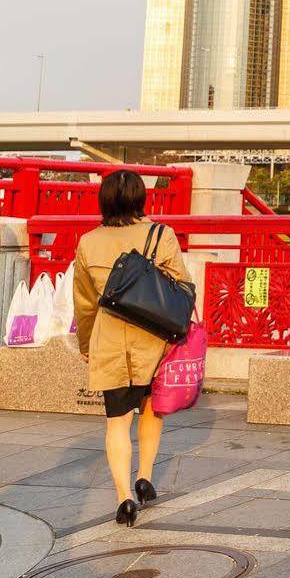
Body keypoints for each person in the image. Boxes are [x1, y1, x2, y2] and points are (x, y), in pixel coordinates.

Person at [72, 170, 196, 525]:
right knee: (152, 410)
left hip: (110, 340)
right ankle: (144, 477)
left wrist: (86, 344)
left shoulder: (88, 242)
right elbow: (182, 286)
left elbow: (84, 303)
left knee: (117, 423)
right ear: (142, 199)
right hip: (154, 339)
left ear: (105, 199)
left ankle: (124, 497)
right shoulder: (161, 234)